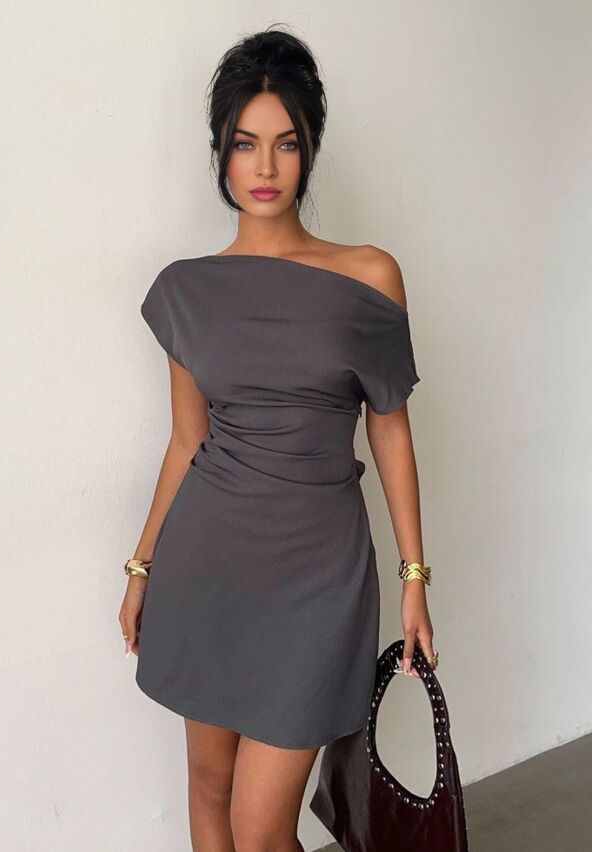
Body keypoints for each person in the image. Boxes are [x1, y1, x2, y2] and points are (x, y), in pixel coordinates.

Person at [119, 25, 437, 852]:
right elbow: (186, 442)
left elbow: (389, 425)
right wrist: (142, 566)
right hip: (207, 567)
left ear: (310, 151)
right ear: (221, 155)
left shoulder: (369, 275)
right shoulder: (186, 291)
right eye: (245, 144)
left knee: (262, 830)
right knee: (210, 789)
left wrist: (413, 576)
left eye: (285, 144)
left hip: (317, 579)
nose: (265, 166)